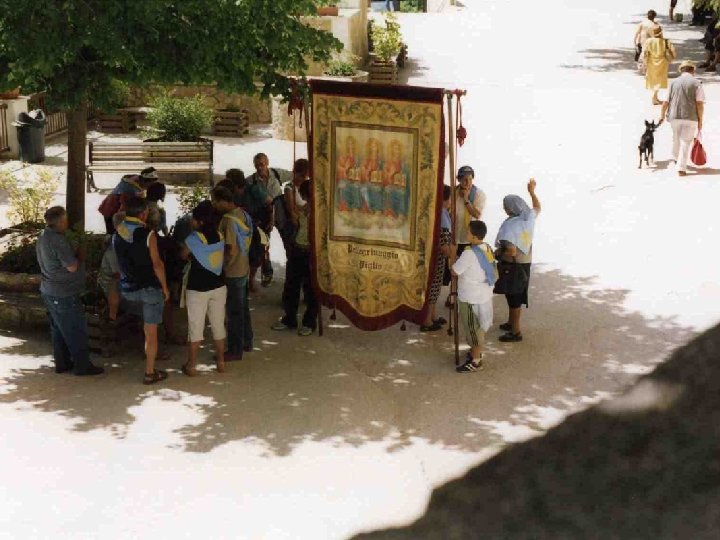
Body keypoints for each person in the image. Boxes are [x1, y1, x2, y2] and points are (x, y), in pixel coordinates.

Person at [35, 207, 104, 376]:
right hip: (63, 292)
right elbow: (72, 266)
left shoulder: (43, 235)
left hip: (49, 290)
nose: (67, 222)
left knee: (59, 329)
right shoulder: (58, 240)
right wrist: (80, 253)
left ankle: (63, 363)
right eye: (65, 219)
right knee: (75, 330)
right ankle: (82, 366)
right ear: (60, 222)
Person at [113, 196, 170, 385]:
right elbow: (157, 264)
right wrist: (165, 288)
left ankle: (146, 358)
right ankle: (150, 371)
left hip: (128, 289)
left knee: (143, 324)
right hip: (149, 289)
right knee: (151, 333)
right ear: (144, 213)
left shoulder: (117, 232)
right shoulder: (148, 235)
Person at [181, 201, 227, 376]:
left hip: (197, 288)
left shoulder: (193, 238)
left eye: (194, 218)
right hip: (219, 285)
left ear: (200, 221)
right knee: (218, 324)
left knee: (195, 326)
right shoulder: (220, 235)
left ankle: (192, 365)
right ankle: (221, 362)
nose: (191, 221)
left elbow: (183, 254)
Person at [495, 179, 541, 343]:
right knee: (515, 296)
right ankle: (510, 323)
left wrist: (498, 253)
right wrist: (532, 192)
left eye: (505, 206)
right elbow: (537, 207)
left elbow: (511, 250)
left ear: (511, 208)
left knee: (513, 299)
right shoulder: (528, 217)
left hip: (512, 265)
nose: (504, 208)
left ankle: (515, 332)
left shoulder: (510, 226)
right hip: (525, 263)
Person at [271, 180, 318, 336]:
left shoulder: (321, 213)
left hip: (312, 254)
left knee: (311, 290)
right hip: (298, 250)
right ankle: (289, 319)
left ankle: (309, 322)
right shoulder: (304, 209)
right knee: (291, 286)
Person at [213, 186, 254, 361]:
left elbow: (229, 248)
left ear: (224, 201)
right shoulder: (243, 214)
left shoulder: (228, 220)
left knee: (234, 312)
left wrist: (218, 265)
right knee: (243, 308)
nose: (214, 205)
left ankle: (235, 350)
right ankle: (247, 341)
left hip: (232, 270)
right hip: (243, 266)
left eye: (216, 201)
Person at [451, 220, 496, 373]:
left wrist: (452, 255)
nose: (466, 233)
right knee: (480, 326)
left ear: (475, 236)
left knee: (473, 329)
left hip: (470, 297)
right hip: (484, 295)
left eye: (468, 232)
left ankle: (476, 361)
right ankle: (475, 352)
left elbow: (454, 271)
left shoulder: (469, 253)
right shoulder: (487, 248)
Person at [658, 60, 705, 176]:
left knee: (676, 138)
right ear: (693, 70)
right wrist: (700, 120)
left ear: (681, 70)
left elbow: (665, 102)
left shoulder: (673, 83)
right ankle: (681, 167)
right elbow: (699, 104)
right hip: (690, 117)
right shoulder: (697, 83)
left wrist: (662, 115)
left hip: (674, 116)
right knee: (686, 141)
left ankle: (675, 158)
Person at [246, 153, 285, 287]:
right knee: (263, 246)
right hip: (263, 218)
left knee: (288, 244)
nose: (259, 168)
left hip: (280, 215)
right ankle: (264, 274)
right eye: (257, 165)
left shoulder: (277, 174)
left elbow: (293, 174)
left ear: (267, 163)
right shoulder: (250, 181)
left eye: (262, 164)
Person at [422, 185, 453, 332]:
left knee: (435, 287)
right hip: (437, 257)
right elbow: (443, 244)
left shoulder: (441, 212)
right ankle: (427, 321)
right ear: (446, 199)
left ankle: (432, 316)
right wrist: (452, 255)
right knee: (433, 287)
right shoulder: (441, 215)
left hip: (437, 257)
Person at [280, 158, 310, 254]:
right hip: (297, 226)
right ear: (295, 173)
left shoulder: (307, 186)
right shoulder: (289, 188)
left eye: (306, 176)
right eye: (302, 176)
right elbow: (292, 211)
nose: (304, 178)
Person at [644, 26, 676, 105]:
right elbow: (673, 51)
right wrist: (672, 58)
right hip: (662, 62)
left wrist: (645, 63)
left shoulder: (648, 41)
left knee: (653, 79)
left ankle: (655, 97)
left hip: (651, 62)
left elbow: (645, 53)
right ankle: (654, 97)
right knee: (659, 79)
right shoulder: (665, 41)